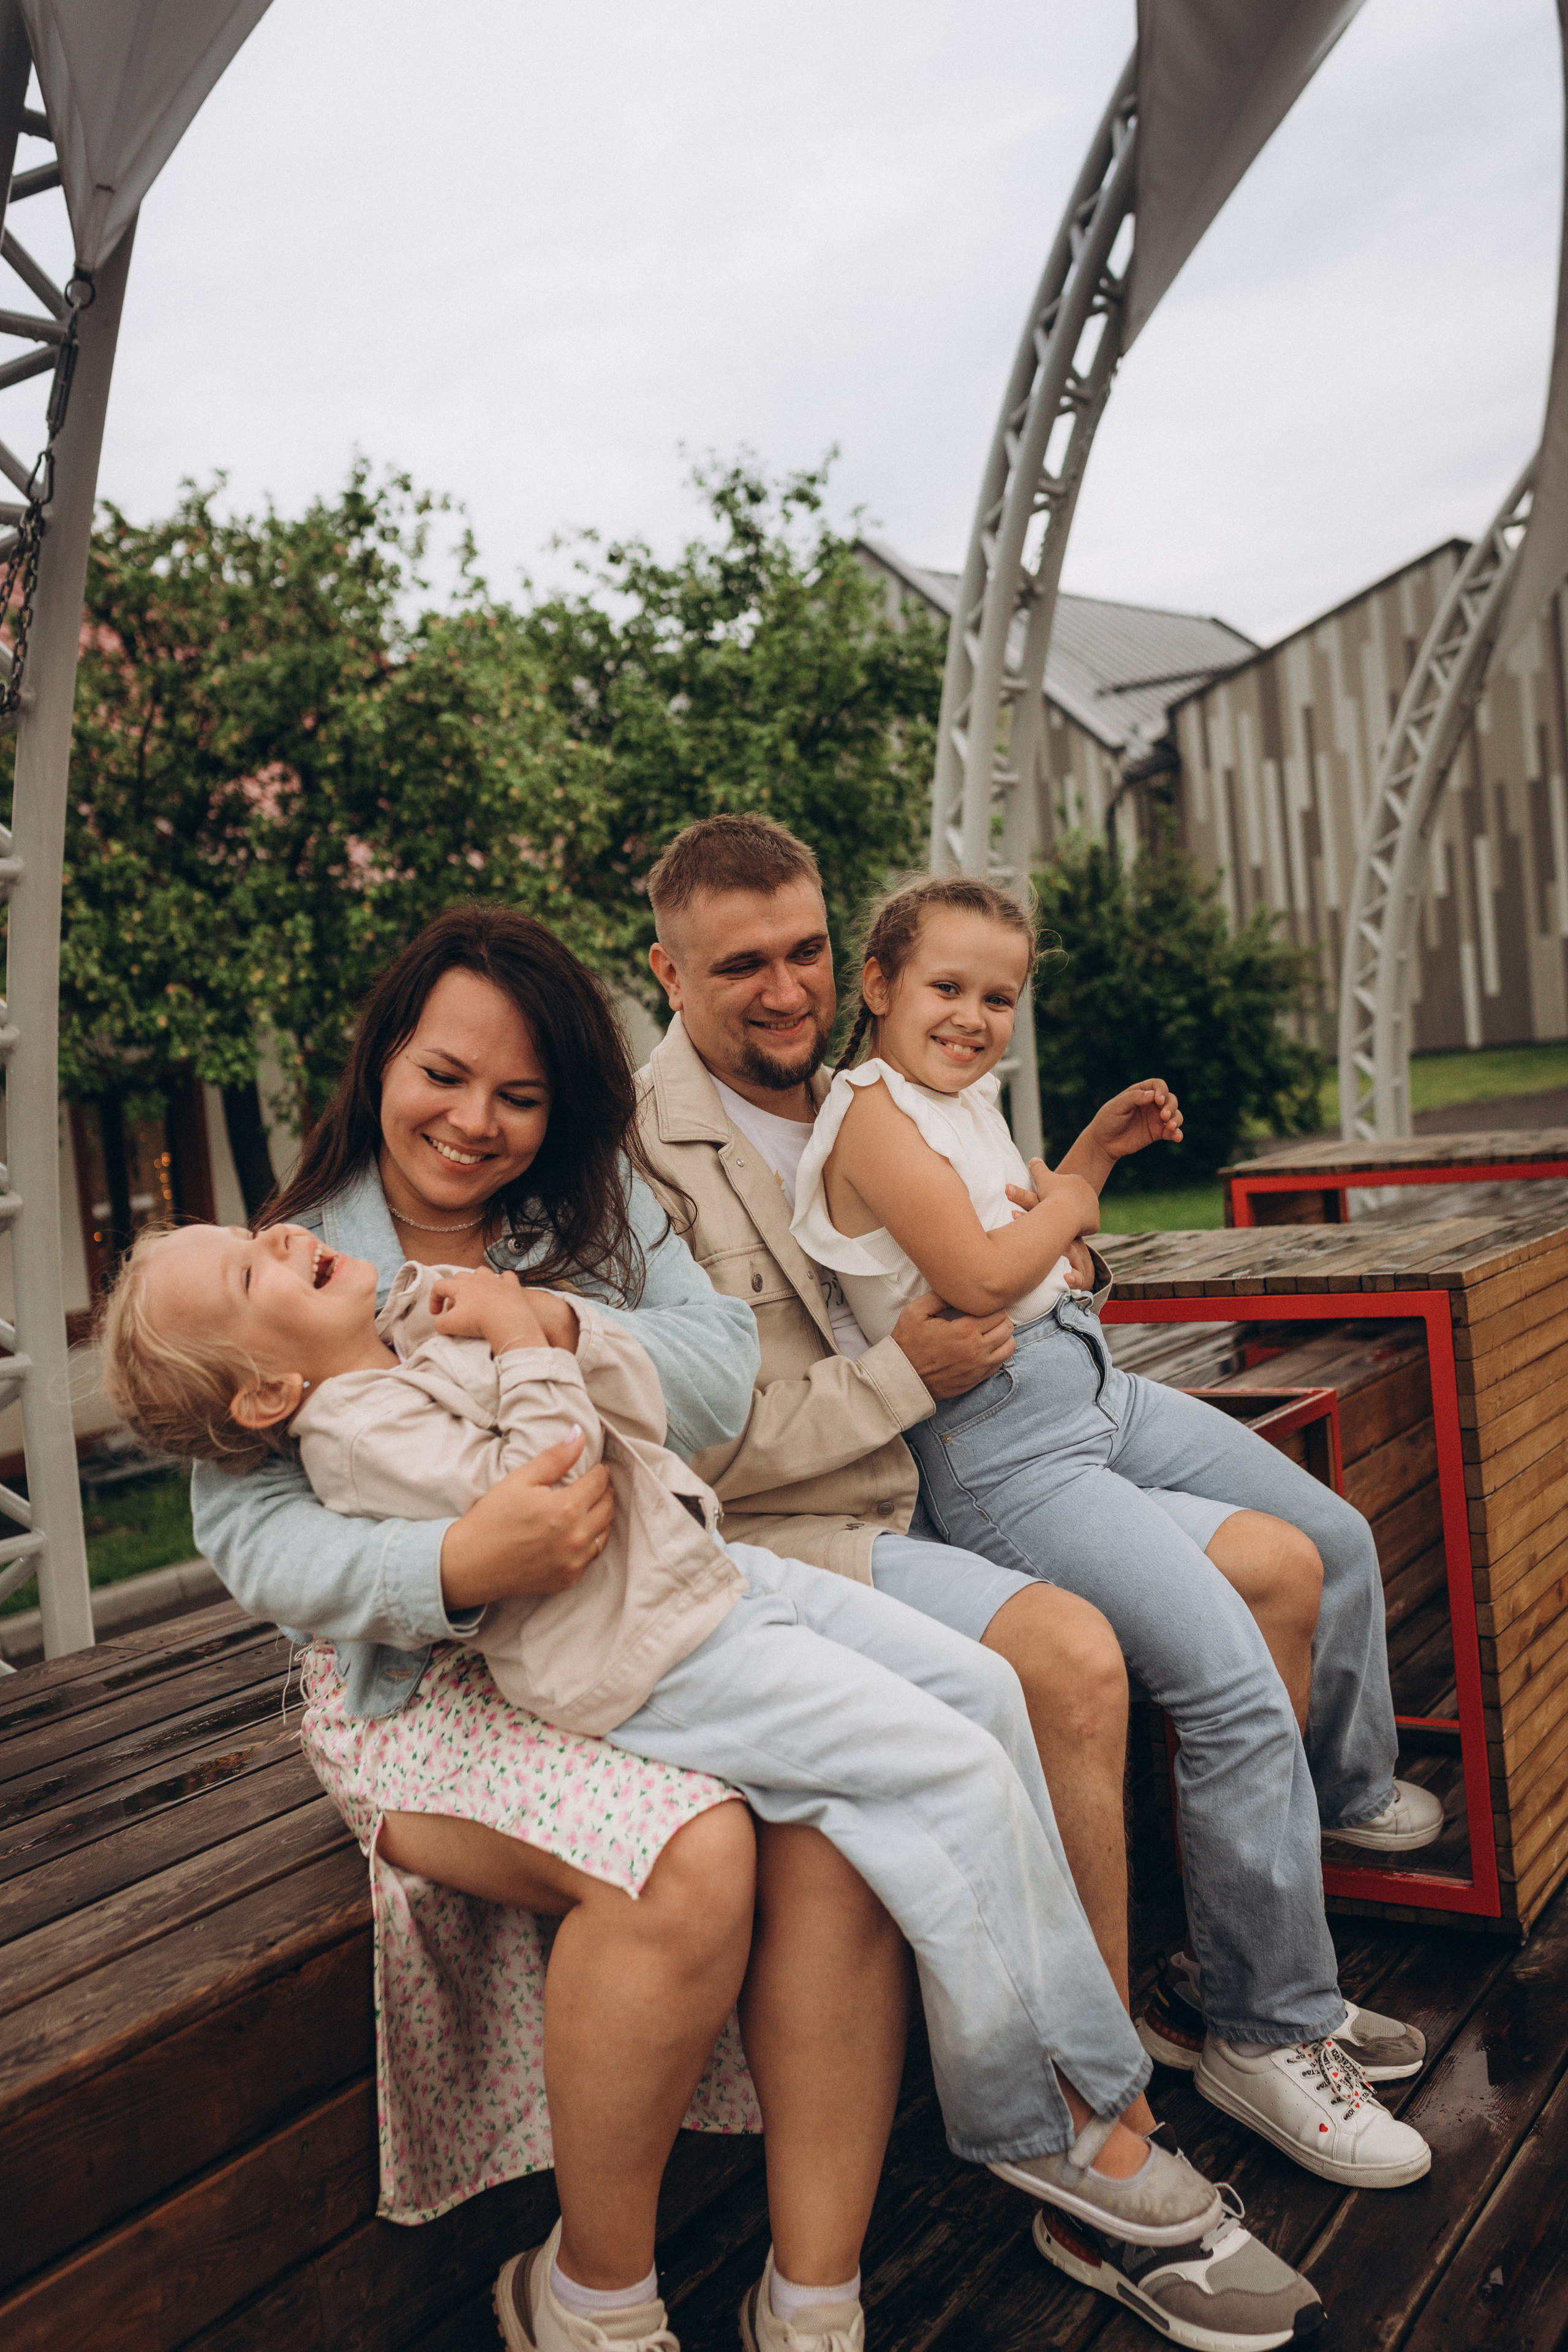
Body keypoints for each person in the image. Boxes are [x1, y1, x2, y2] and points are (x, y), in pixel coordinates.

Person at [181, 906, 920, 2352]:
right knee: (687, 1853)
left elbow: (715, 1372)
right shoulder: (295, 1255)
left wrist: (550, 1323)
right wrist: (450, 1563)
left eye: (518, 1096)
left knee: (836, 1822)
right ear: (380, 1060)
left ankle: (813, 2297)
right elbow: (244, 1529)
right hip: (429, 1683)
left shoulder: (591, 1202)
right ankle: (593, 2295)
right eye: (442, 1076)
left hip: (628, 1617)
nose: (474, 1123)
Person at [789, 865, 1439, 2197]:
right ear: (878, 985)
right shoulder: (867, 1113)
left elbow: (1048, 1256)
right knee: (1229, 1679)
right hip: (998, 1446)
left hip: (1090, 1384)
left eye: (999, 998)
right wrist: (1078, 1194)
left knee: (1322, 1537)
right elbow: (984, 1271)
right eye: (946, 987)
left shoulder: (956, 1102)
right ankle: (1266, 2029)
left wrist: (1074, 1188)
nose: (973, 1018)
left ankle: (1326, 1825)